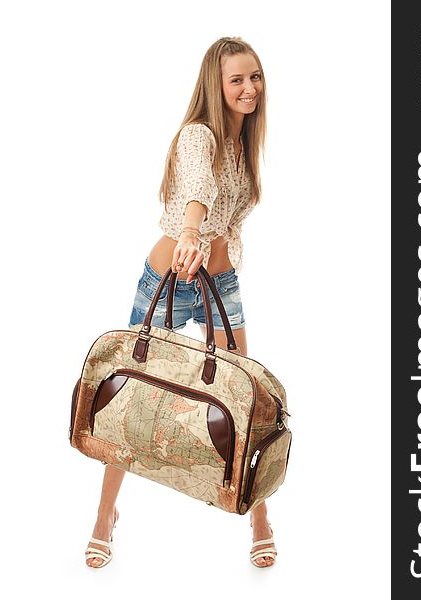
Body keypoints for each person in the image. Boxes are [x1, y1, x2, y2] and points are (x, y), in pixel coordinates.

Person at [85, 36, 277, 569]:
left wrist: (217, 252)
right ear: (215, 85)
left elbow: (228, 219)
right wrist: (191, 233)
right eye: (236, 79)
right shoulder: (199, 137)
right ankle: (104, 517)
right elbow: (196, 192)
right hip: (169, 276)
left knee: (247, 396)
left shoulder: (245, 146)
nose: (248, 88)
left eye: (255, 76)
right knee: (128, 394)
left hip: (219, 281)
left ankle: (259, 517)